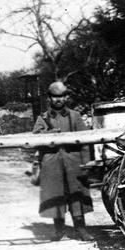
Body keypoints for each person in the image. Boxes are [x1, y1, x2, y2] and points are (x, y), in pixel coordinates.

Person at [32, 81, 94, 241]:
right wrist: (48, 133)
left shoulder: (75, 116)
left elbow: (86, 140)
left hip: (74, 162)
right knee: (55, 195)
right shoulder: (43, 118)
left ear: (66, 97)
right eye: (55, 96)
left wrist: (86, 163)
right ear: (50, 98)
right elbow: (35, 139)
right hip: (52, 163)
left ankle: (81, 229)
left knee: (77, 195)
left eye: (61, 96)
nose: (58, 100)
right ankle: (58, 230)